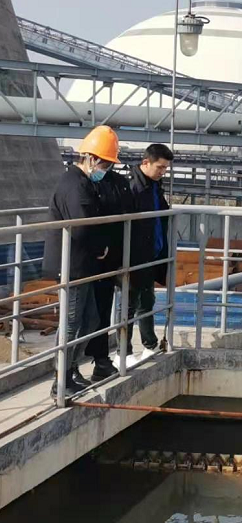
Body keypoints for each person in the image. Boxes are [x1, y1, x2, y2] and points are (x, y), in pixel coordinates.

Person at [42, 126, 120, 397]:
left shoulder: (83, 183)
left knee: (89, 320)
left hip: (82, 265)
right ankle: (61, 380)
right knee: (72, 322)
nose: (106, 170)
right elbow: (82, 226)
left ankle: (71, 370)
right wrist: (101, 247)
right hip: (72, 266)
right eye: (105, 164)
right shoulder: (74, 185)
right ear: (91, 158)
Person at [124, 144, 174, 365]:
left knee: (146, 301)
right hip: (135, 256)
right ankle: (124, 353)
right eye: (160, 167)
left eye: (165, 168)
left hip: (150, 255)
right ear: (146, 163)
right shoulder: (134, 188)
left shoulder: (153, 186)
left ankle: (149, 345)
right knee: (129, 304)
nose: (163, 172)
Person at [87, 163, 134, 381]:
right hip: (88, 260)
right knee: (79, 316)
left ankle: (100, 361)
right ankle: (69, 369)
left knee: (101, 311)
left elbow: (127, 217)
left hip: (108, 259)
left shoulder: (119, 183)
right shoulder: (80, 183)